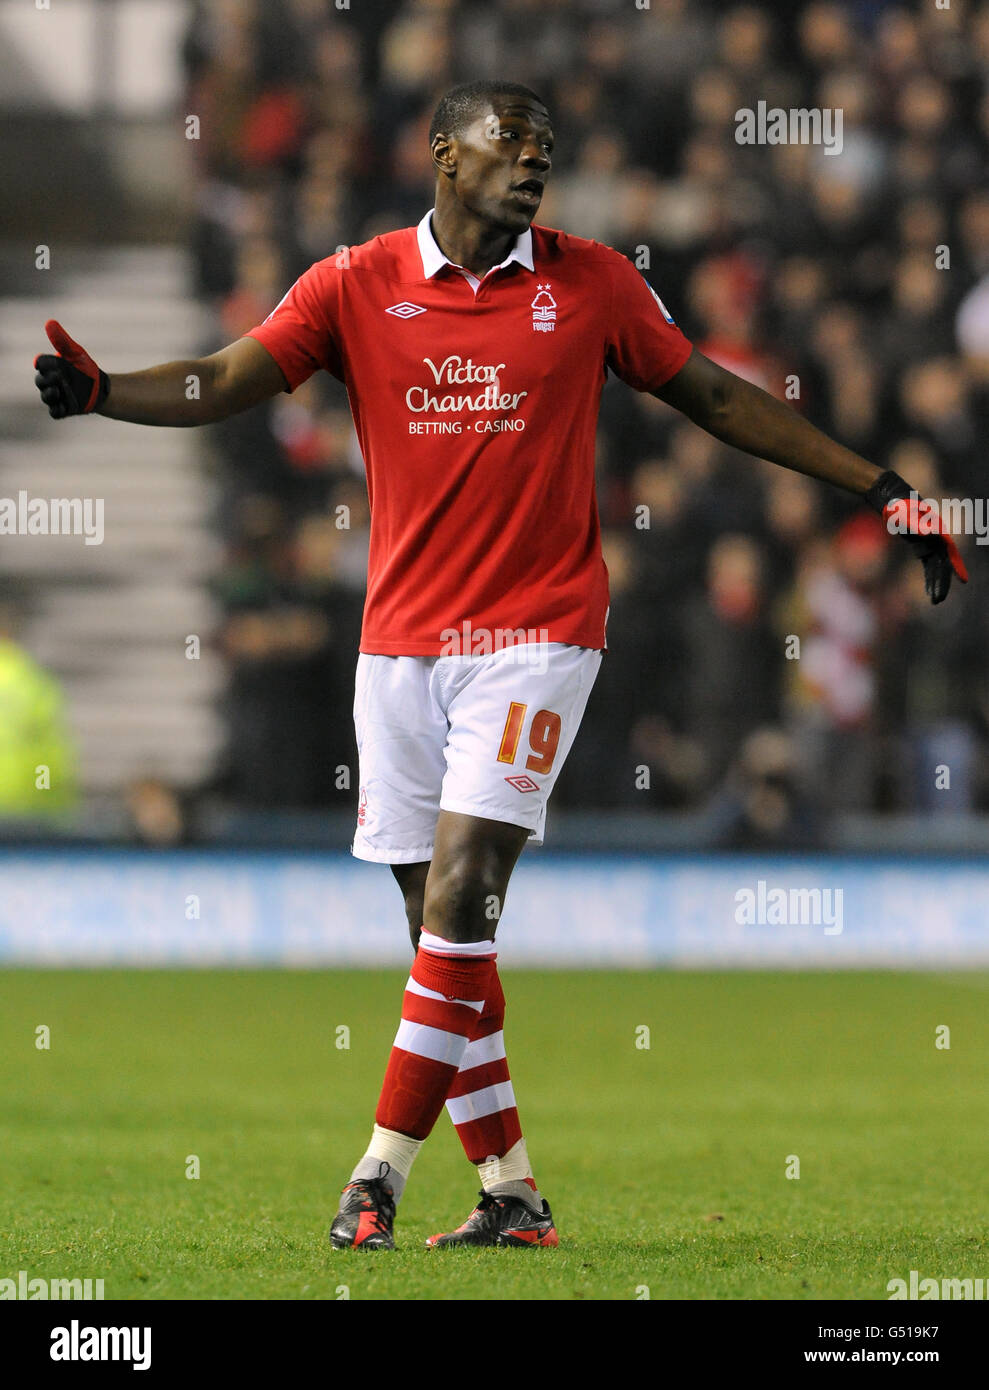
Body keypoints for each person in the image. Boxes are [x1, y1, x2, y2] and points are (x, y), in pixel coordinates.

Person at [33, 79, 966, 1250]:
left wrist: (880, 489)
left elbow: (718, 399)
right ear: (442, 155)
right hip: (398, 650)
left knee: (465, 897)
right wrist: (106, 392)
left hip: (535, 635)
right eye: (509, 144)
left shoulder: (591, 284)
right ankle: (512, 1190)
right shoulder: (353, 282)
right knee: (440, 938)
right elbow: (229, 378)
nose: (531, 166)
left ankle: (376, 1173)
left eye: (545, 151)